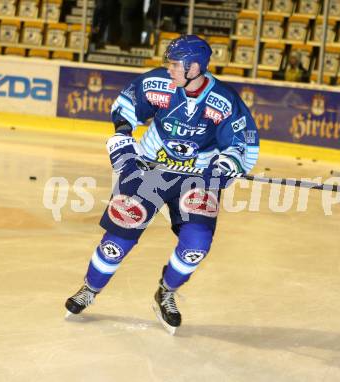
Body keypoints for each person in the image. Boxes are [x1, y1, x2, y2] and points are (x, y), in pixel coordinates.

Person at [64, 35, 260, 335]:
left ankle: (166, 291)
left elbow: (240, 144)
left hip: (198, 179)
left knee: (196, 246)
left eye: (174, 64)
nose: (169, 69)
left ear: (194, 67)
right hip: (150, 171)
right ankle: (90, 288)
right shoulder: (158, 83)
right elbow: (126, 105)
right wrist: (124, 138)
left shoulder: (223, 100)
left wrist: (224, 166)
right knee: (118, 241)